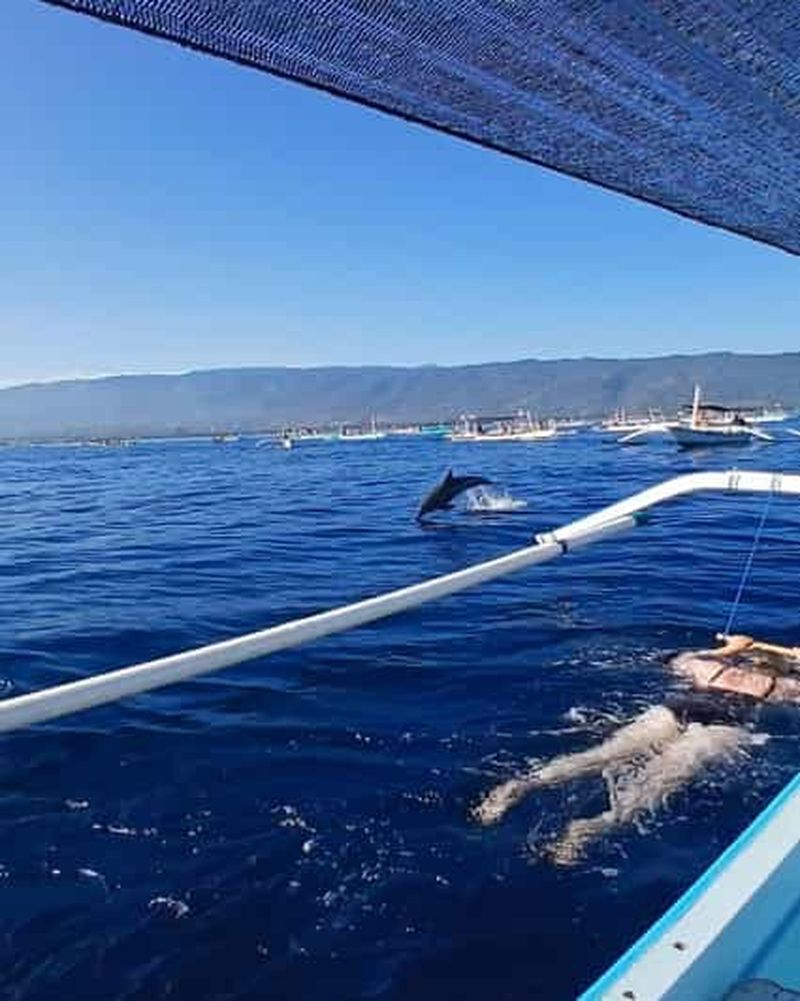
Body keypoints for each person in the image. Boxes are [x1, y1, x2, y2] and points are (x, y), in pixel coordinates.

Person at [474, 632, 797, 863]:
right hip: (724, 726)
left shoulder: (708, 666)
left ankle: (523, 784)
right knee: (654, 785)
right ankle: (593, 827)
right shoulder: (783, 686)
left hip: (674, 710)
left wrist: (727, 651)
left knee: (600, 756)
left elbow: (676, 658)